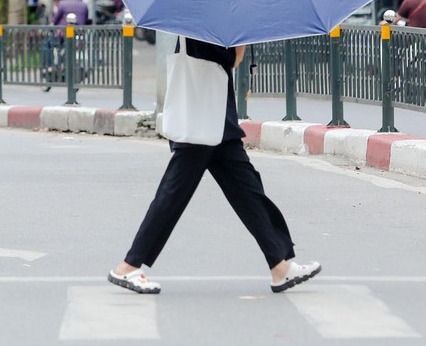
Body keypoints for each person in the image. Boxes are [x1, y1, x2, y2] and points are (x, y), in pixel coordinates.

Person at [109, 38, 321, 294]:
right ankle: (129, 265)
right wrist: (242, 39)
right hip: (201, 123)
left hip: (217, 122)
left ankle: (280, 266)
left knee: (249, 192)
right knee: (172, 194)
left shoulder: (206, 19)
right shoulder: (206, 23)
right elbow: (233, 60)